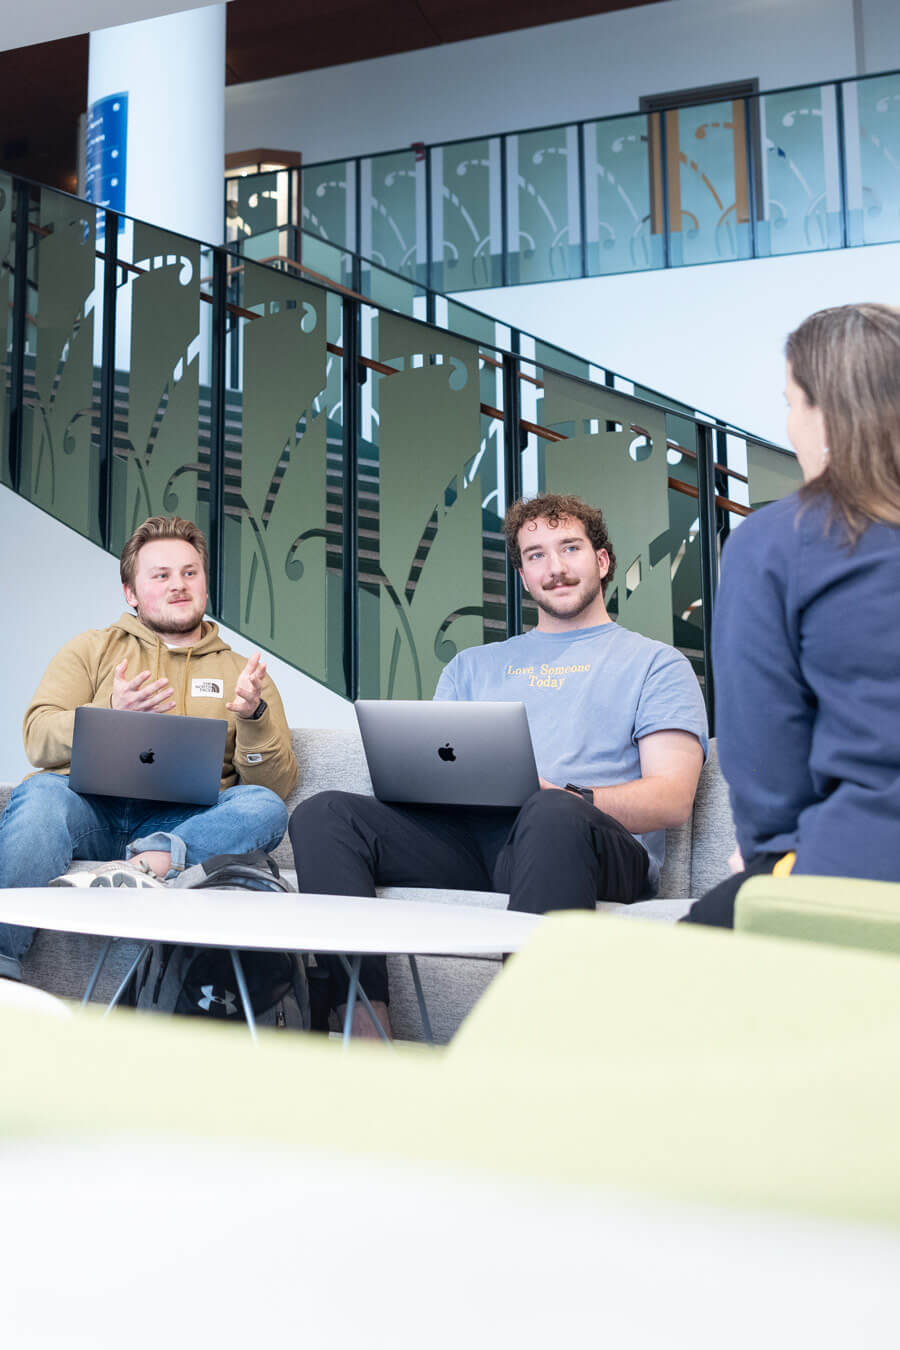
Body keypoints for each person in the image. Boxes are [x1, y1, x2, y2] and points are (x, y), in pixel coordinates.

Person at [290, 492, 708, 1036]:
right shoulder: (472, 667)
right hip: (477, 843)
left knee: (549, 812)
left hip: (586, 841)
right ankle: (361, 1035)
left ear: (602, 561)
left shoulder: (655, 663)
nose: (555, 568)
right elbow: (434, 773)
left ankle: (521, 1045)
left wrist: (564, 795)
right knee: (323, 815)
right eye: (535, 555)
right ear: (522, 575)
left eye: (570, 548)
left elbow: (672, 797)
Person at [0, 514, 297, 982]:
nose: (178, 585)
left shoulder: (244, 672)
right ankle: (1, 963)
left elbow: (274, 787)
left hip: (182, 821)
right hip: (88, 811)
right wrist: (110, 709)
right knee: (38, 798)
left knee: (263, 807)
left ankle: (148, 863)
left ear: (203, 584)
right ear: (131, 593)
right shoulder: (92, 649)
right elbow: (37, 737)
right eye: (161, 575)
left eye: (189, 573)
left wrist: (252, 719)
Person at [683, 303, 900, 928]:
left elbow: (768, 785)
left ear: (826, 413)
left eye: (789, 403)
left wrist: (770, 858)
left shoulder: (778, 541)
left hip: (864, 873)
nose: (787, 425)